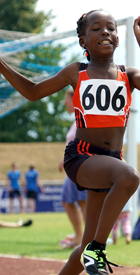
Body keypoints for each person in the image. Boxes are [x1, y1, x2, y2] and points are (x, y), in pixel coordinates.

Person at [0, 10, 140, 275]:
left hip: (108, 161)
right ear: (83, 41)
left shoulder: (126, 73)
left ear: (118, 38)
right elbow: (34, 92)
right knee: (130, 176)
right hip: (81, 157)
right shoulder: (75, 72)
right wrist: (0, 66)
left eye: (111, 28)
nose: (106, 32)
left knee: (87, 238)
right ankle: (98, 250)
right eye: (97, 29)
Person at [58, 88, 86, 249]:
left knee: (82, 202)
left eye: (66, 99)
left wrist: (66, 159)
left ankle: (84, 239)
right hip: (73, 167)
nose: (64, 102)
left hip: (79, 166)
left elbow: (80, 144)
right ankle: (81, 237)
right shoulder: (76, 120)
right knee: (74, 201)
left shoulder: (81, 118)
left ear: (74, 99)